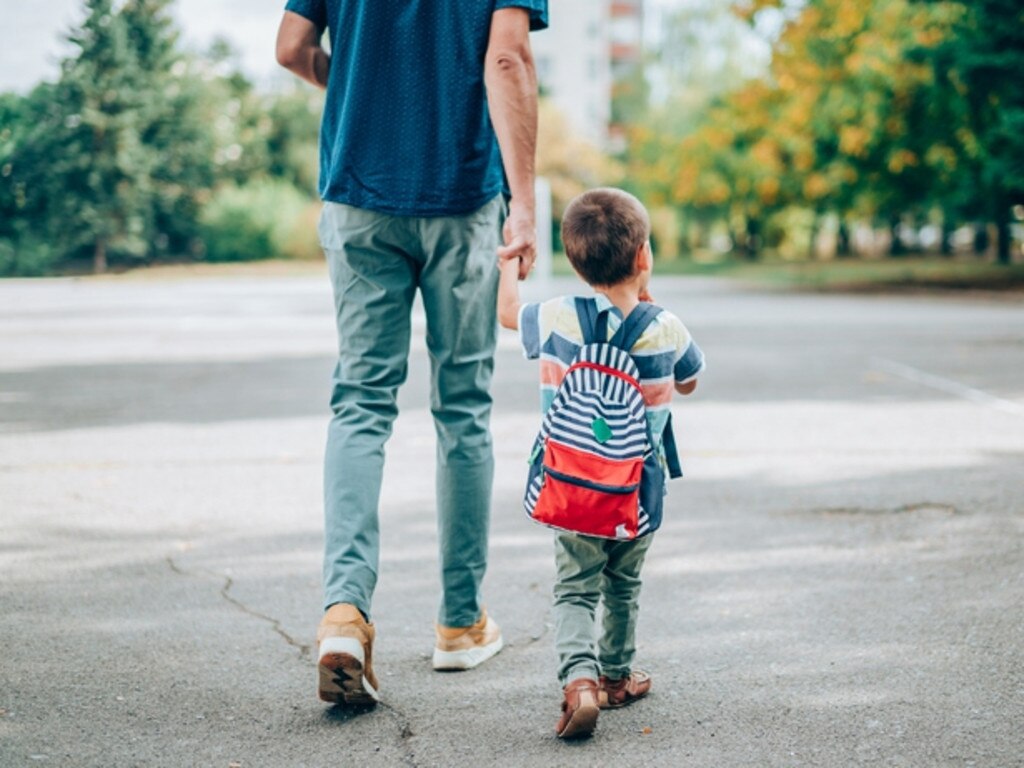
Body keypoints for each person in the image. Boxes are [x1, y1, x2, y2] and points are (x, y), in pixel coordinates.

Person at [274, 0, 548, 706]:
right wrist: (523, 205)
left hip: (359, 190)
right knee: (462, 407)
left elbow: (291, 47)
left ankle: (344, 612)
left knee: (361, 402)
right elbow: (508, 58)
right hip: (461, 193)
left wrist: (363, 90)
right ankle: (459, 623)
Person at [497, 188, 705, 738]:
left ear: (574, 261)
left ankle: (579, 682)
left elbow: (506, 315)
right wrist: (648, 305)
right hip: (635, 492)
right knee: (623, 584)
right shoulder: (666, 327)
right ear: (643, 257)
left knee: (574, 588)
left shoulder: (558, 316)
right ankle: (616, 677)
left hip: (570, 489)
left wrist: (510, 264)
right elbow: (688, 380)